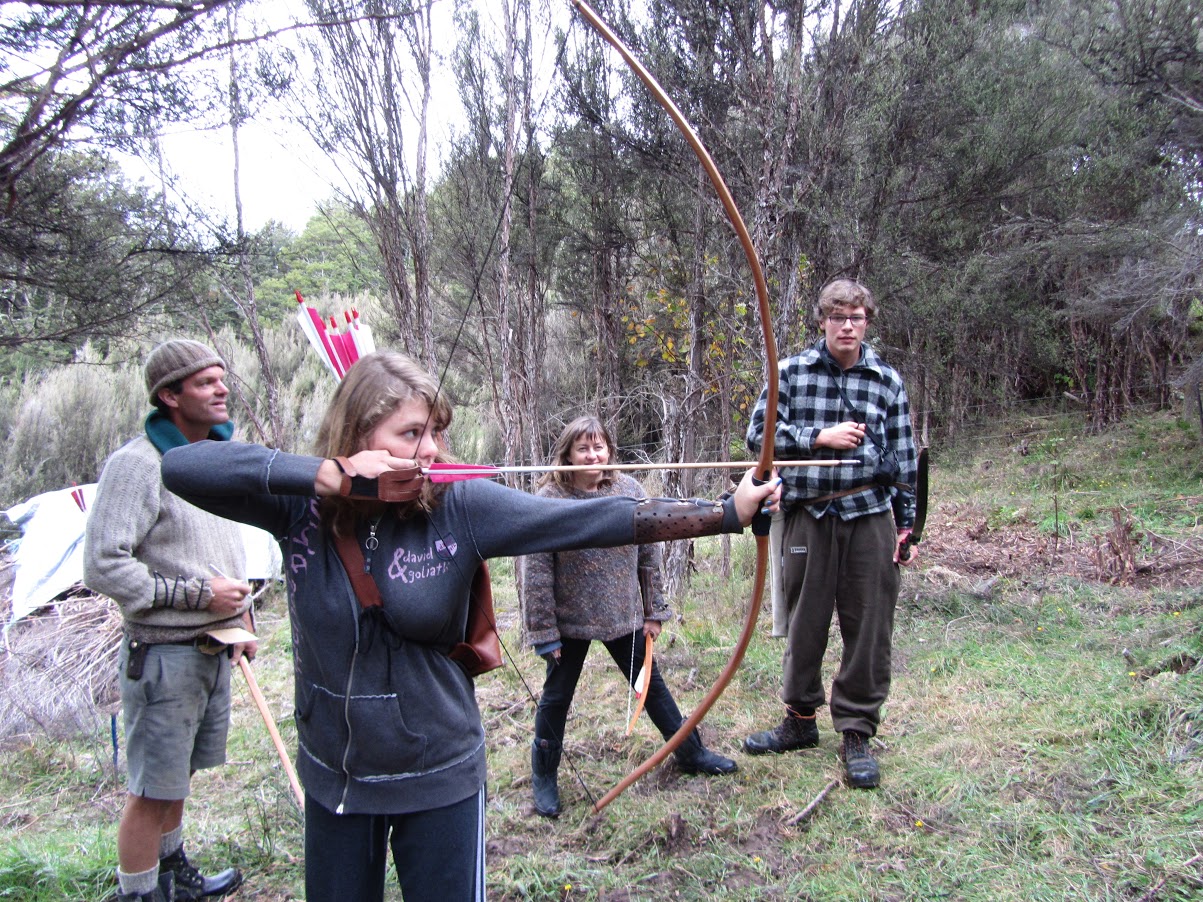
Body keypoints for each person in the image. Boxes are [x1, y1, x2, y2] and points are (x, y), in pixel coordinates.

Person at [158, 350, 781, 902]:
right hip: (337, 776)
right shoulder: (299, 507)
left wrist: (726, 513)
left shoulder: (459, 505)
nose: (431, 451)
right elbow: (184, 467)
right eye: (411, 434)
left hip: (438, 772)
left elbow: (594, 519)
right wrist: (326, 475)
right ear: (359, 434)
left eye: (436, 433)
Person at [84, 340, 254, 902]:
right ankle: (138, 893)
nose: (221, 389)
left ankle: (172, 872)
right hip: (163, 656)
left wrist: (240, 614)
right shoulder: (137, 465)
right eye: (205, 383)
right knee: (151, 788)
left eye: (221, 379)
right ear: (169, 395)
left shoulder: (217, 461)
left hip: (212, 646)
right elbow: (104, 565)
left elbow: (223, 555)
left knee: (176, 779)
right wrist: (197, 595)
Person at [743, 279, 918, 789]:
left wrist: (908, 524)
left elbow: (905, 458)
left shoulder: (886, 380)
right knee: (805, 622)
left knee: (869, 627)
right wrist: (817, 437)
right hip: (808, 514)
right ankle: (799, 722)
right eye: (838, 315)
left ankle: (856, 731)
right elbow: (758, 436)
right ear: (822, 320)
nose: (847, 325)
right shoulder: (791, 372)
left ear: (867, 323)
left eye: (857, 317)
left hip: (869, 517)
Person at [521, 416, 739, 818]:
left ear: (610, 450)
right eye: (583, 448)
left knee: (651, 688)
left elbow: (648, 554)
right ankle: (544, 777)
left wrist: (653, 610)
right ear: (567, 453)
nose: (592, 455)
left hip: (624, 616)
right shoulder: (550, 497)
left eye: (599, 447)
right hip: (569, 622)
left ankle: (689, 753)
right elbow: (535, 570)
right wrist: (544, 631)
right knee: (555, 699)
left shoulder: (629, 490)